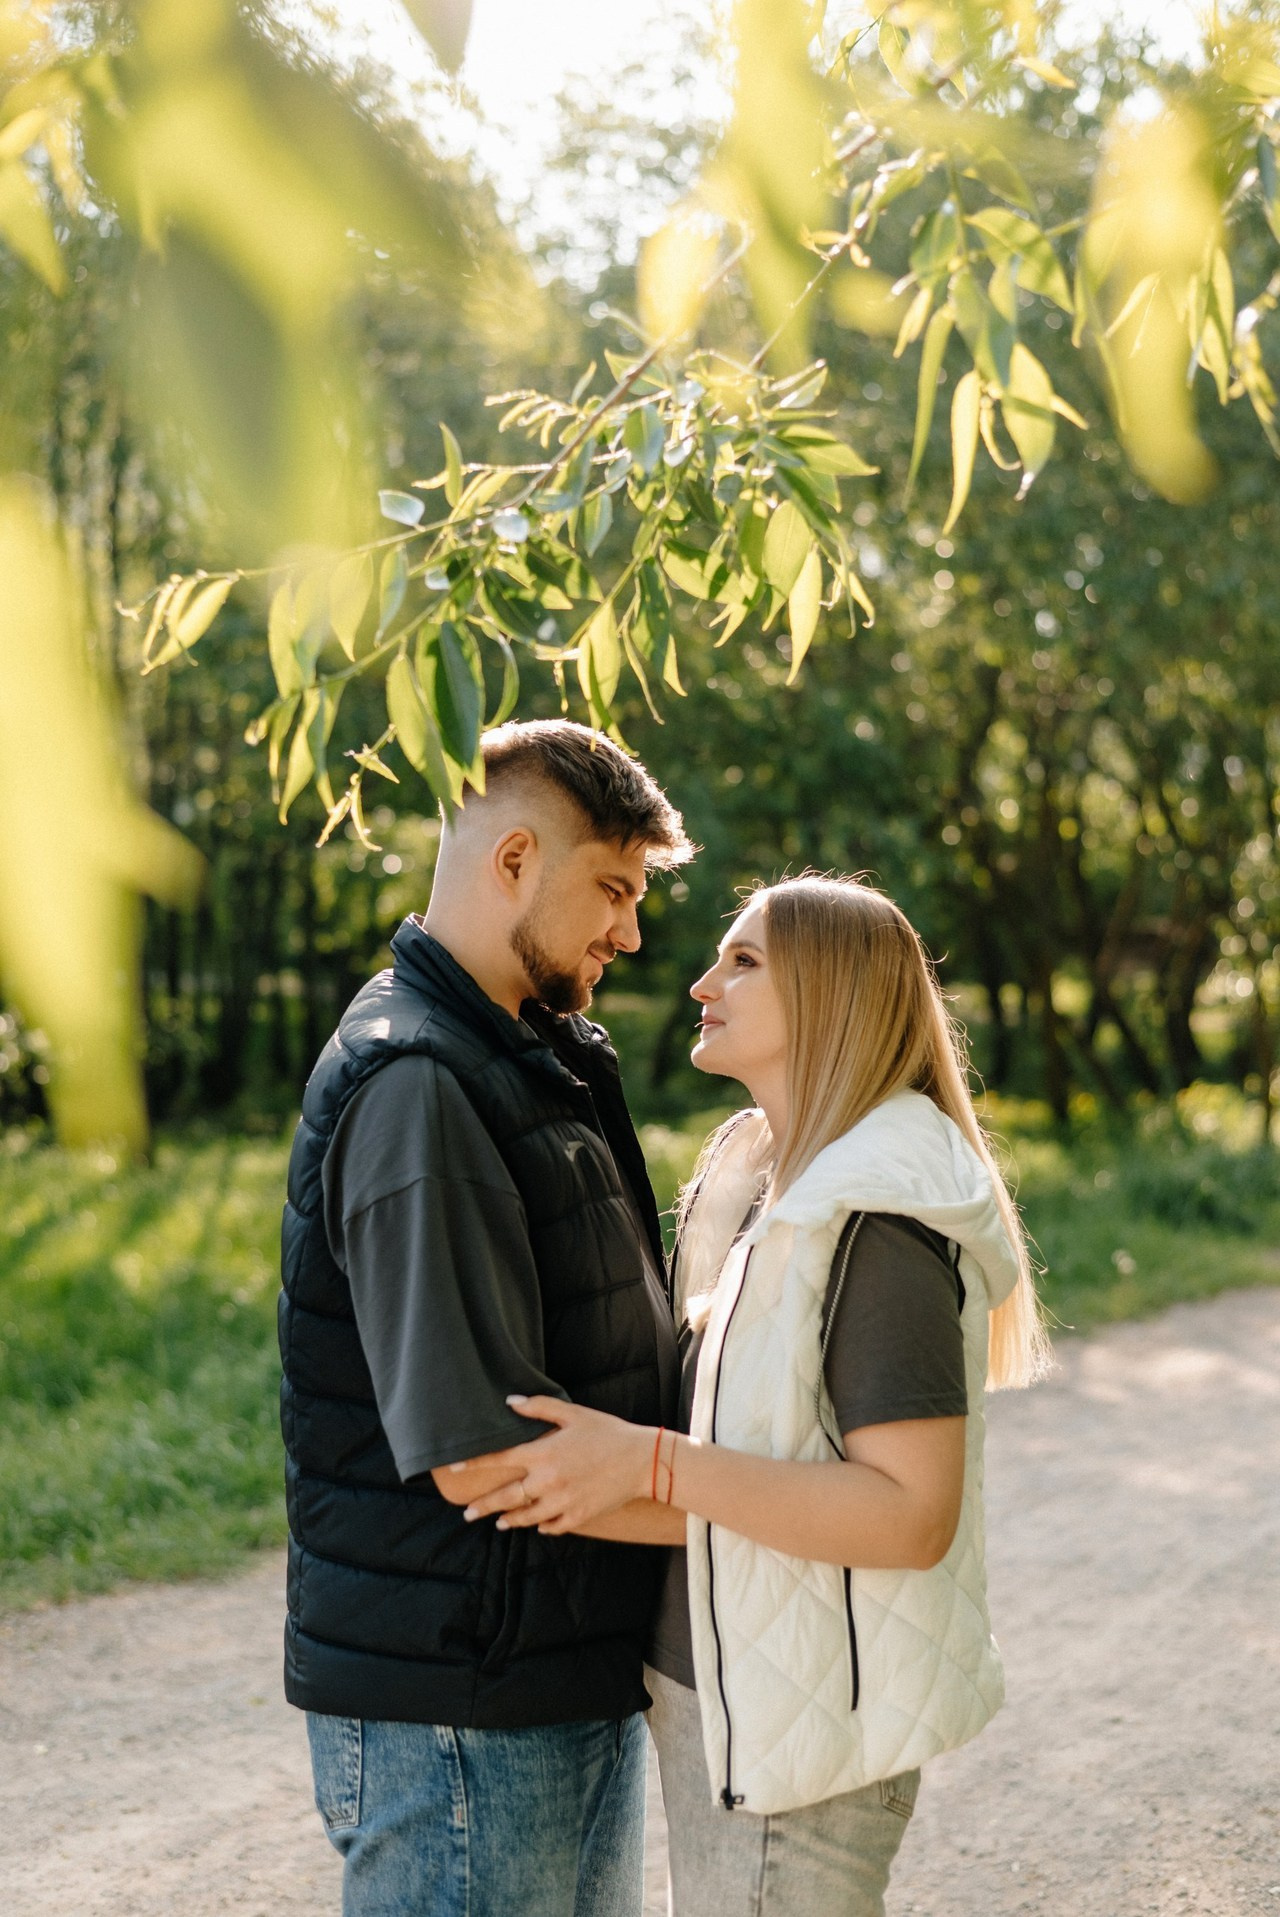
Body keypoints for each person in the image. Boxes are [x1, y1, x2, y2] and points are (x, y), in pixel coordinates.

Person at [460, 873, 1050, 1917]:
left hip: (800, 1738)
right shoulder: (769, 1193)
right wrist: (562, 1487)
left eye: (742, 961)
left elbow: (909, 1515)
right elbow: (745, 1491)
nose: (698, 983)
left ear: (830, 993)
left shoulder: (879, 1217)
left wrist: (641, 1462)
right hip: (732, 1702)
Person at [279, 719, 691, 1916]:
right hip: (460, 1711)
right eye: (612, 888)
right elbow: (481, 1458)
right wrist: (763, 1521)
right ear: (513, 860)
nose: (630, 928)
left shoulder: (522, 1054)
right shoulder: (417, 1083)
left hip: (546, 1678)